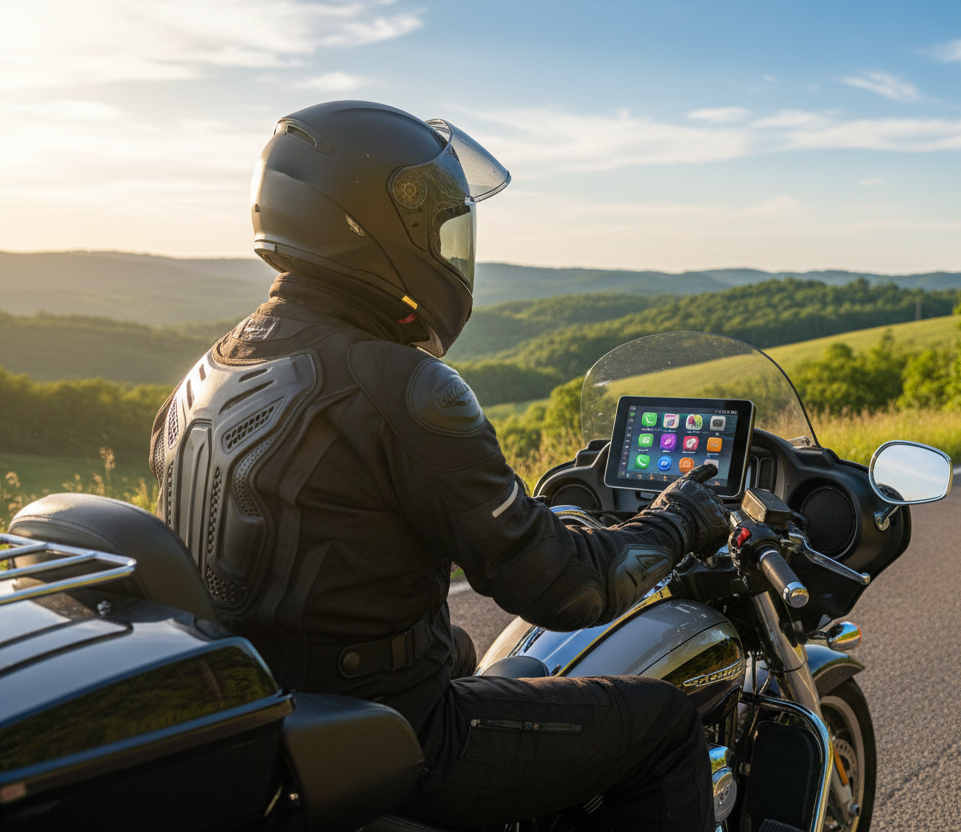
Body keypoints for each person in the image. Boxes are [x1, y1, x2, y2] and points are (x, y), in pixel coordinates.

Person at [149, 100, 728, 830]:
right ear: (377, 225)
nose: (452, 252)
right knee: (665, 725)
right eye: (441, 229)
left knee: (459, 647)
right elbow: (568, 591)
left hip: (268, 711)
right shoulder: (402, 386)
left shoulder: (208, 372)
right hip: (402, 730)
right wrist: (678, 519)